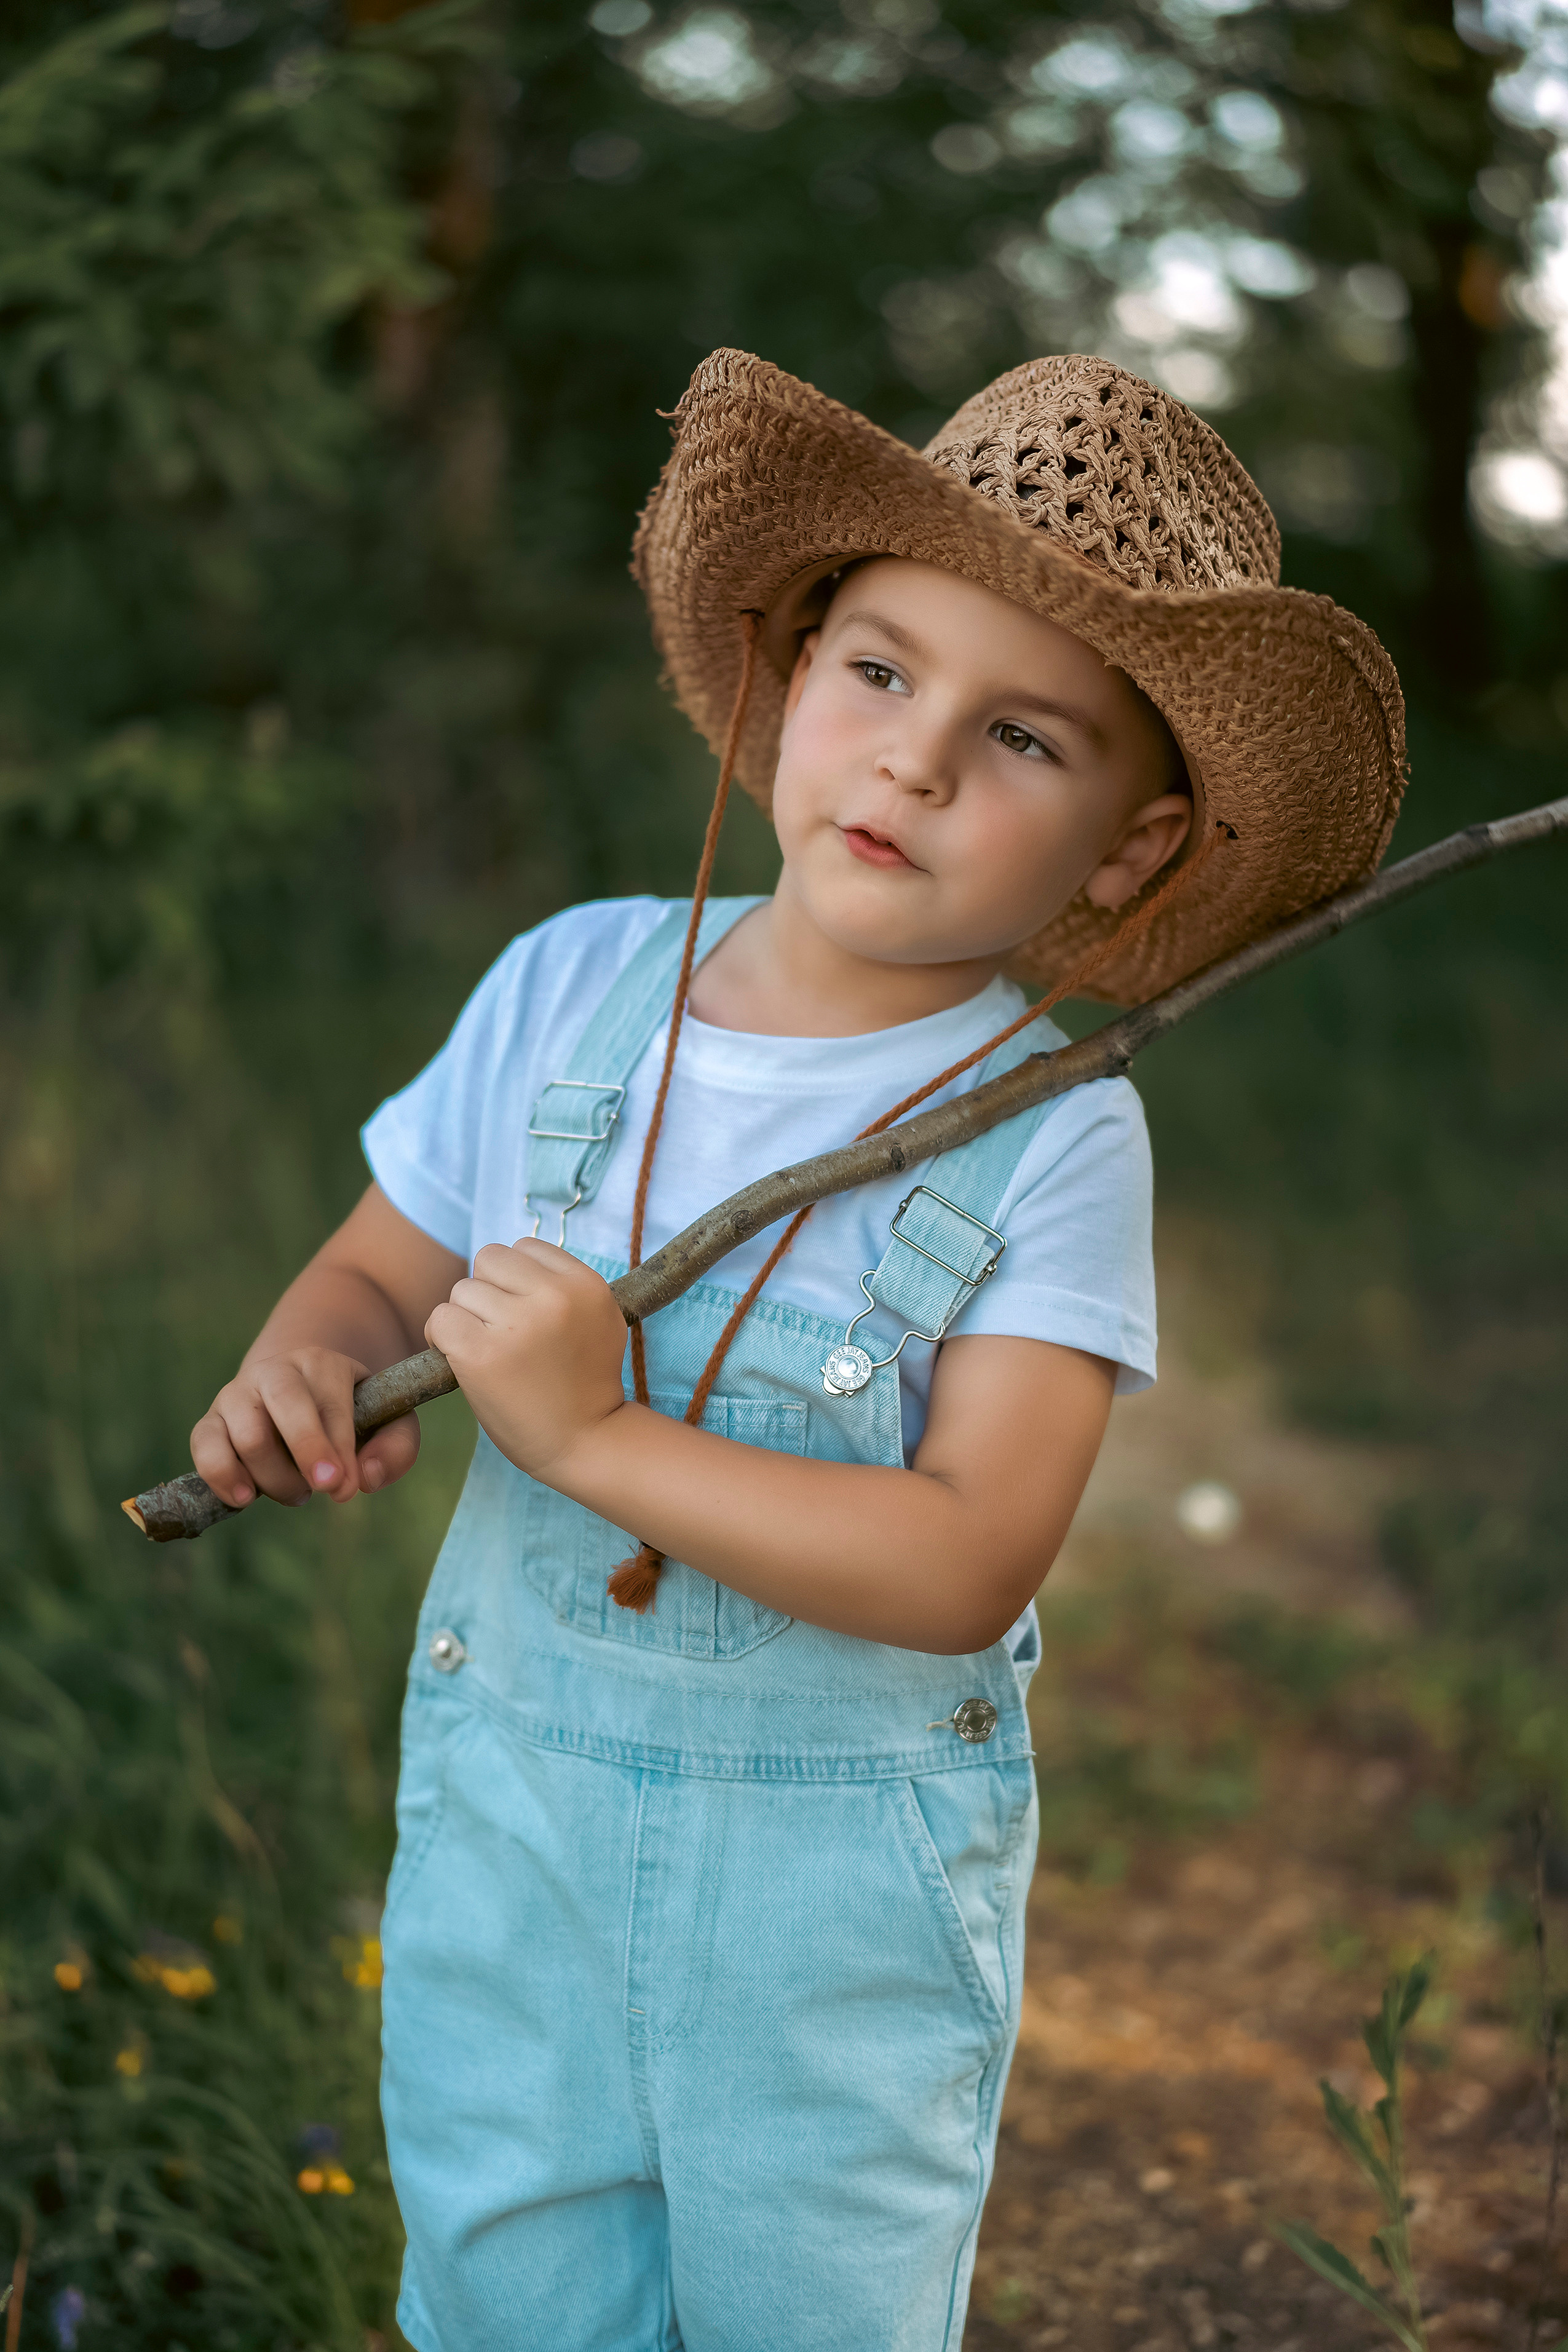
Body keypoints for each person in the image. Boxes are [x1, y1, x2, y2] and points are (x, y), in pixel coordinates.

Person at [189, 350, 1404, 2352]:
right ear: (779, 674)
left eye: (1021, 736)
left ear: (1131, 846)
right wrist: (303, 1362)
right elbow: (372, 1270)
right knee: (514, 2302)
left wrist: (587, 1430)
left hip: (829, 1939)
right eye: (881, 673)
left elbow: (959, 1564)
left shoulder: (1053, 1126)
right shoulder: (572, 986)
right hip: (522, 1878)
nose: (916, 762)